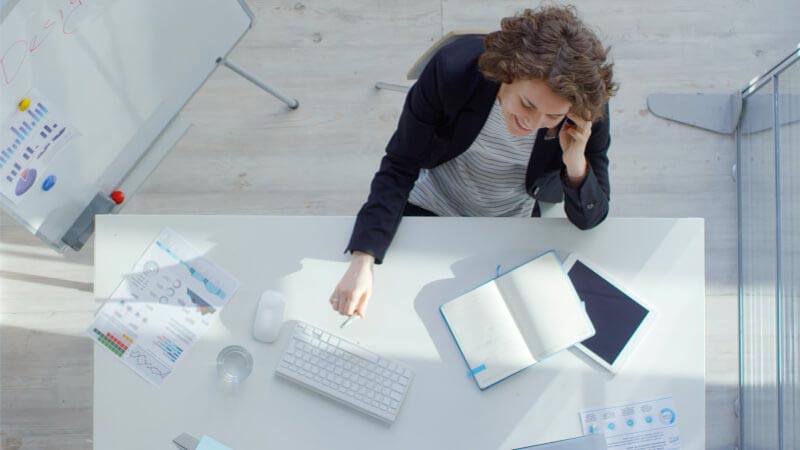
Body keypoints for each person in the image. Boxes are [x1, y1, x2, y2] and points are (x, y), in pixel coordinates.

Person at [330, 5, 618, 319]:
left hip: (512, 223)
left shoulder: (586, 110)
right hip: (430, 201)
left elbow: (591, 218)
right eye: (527, 104)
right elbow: (400, 163)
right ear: (508, 73)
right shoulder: (453, 70)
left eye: (553, 116)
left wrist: (575, 163)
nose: (533, 123)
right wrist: (363, 259)